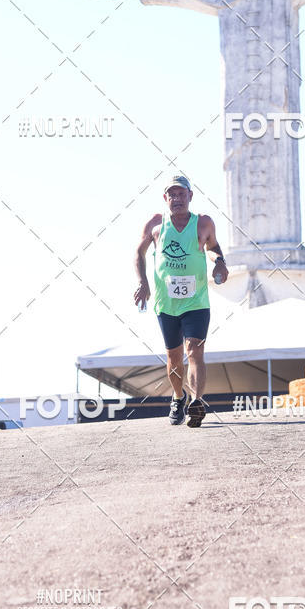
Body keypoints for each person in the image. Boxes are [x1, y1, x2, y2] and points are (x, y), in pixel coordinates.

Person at [134, 175, 228, 427]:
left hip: (196, 302)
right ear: (166, 198)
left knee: (195, 349)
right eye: (172, 195)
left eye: (181, 194)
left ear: (190, 196)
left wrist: (220, 263)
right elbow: (139, 253)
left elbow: (213, 248)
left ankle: (196, 402)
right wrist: (143, 283)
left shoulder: (203, 223)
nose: (177, 199)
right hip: (166, 304)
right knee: (174, 357)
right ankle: (178, 397)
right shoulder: (156, 224)